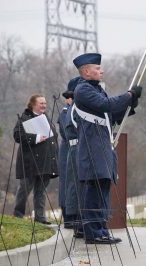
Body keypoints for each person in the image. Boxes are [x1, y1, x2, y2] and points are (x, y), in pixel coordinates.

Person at [72, 53, 141, 244]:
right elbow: (106, 105)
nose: (101, 70)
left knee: (102, 189)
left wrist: (131, 102)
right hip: (93, 149)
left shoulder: (96, 89)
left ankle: (101, 229)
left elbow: (111, 115)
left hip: (102, 147)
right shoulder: (83, 90)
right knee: (94, 190)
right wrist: (128, 95)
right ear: (86, 71)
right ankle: (93, 232)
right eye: (97, 68)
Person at [13, 94, 58, 225]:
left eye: (45, 103)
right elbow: (17, 135)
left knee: (40, 191)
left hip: (45, 162)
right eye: (41, 103)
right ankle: (18, 215)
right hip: (29, 162)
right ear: (33, 104)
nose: (44, 105)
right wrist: (36, 138)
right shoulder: (24, 118)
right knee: (24, 189)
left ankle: (40, 217)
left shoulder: (46, 118)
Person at [63, 77, 84, 238]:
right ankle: (77, 222)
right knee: (76, 187)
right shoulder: (72, 110)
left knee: (77, 186)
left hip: (76, 148)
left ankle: (79, 222)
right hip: (76, 148)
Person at [57, 84, 75, 229]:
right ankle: (68, 216)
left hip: (72, 149)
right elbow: (66, 132)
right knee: (66, 184)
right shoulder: (65, 112)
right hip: (67, 150)